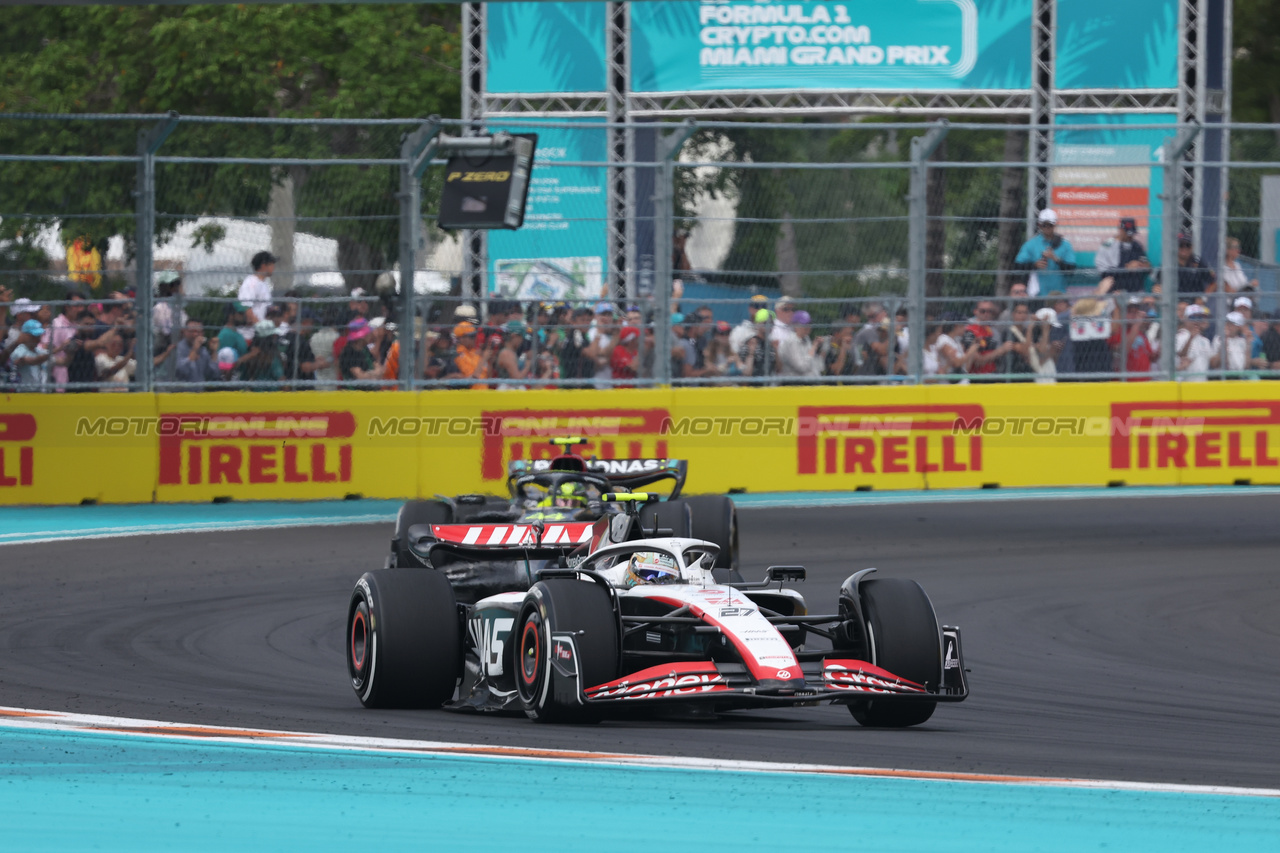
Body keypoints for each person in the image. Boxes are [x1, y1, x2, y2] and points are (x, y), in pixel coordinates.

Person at [1014, 208, 1077, 296]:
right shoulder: (1031, 244)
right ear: (1039, 225)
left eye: (1050, 225)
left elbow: (1071, 270)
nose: (1047, 228)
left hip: (1059, 294)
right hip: (1037, 294)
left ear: (1055, 224)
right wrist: (1034, 265)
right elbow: (1017, 266)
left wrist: (1056, 259)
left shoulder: (1065, 245)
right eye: (1044, 225)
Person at [1095, 218, 1151, 294]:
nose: (1130, 236)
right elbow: (1103, 271)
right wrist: (1126, 268)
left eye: (1132, 234)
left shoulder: (1137, 245)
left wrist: (1140, 264)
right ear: (1120, 230)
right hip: (1115, 290)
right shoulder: (1109, 245)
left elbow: (1146, 264)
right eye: (1127, 233)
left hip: (1136, 290)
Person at [10, 319, 69, 391]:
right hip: (26, 395)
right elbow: (34, 361)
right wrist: (58, 349)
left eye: (39, 335)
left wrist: (71, 351)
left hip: (42, 395)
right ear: (25, 335)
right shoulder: (19, 351)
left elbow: (64, 362)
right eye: (34, 336)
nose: (38, 339)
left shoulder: (39, 351)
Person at [1108, 297, 1158, 380]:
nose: (1134, 315)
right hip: (1126, 382)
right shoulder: (1116, 331)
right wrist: (1137, 325)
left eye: (1136, 312)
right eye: (1130, 312)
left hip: (1145, 382)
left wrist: (1160, 350)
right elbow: (1123, 350)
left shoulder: (1139, 333)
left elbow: (1151, 358)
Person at [961, 300, 1011, 376]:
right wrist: (1001, 350)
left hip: (992, 375)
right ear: (975, 312)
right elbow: (978, 361)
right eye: (983, 311)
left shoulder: (991, 330)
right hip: (976, 378)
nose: (986, 314)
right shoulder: (970, 332)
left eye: (990, 311)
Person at [238, 320, 286, 388]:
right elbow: (283, 383)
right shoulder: (272, 357)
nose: (275, 338)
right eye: (273, 336)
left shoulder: (250, 354)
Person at [174, 318, 220, 386]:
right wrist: (194, 350)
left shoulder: (203, 351)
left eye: (199, 332)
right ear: (185, 332)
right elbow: (182, 372)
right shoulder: (178, 348)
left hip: (199, 394)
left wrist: (214, 352)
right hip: (180, 393)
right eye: (192, 331)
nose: (195, 334)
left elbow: (214, 374)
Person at [444, 322, 491, 388]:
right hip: (470, 395)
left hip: (484, 393)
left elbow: (487, 375)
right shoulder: (458, 354)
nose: (474, 339)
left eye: (474, 336)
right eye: (471, 336)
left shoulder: (475, 352)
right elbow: (473, 378)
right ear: (461, 339)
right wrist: (484, 358)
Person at [776, 309, 821, 378]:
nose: (808, 327)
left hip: (810, 382)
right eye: (805, 324)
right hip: (794, 383)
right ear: (795, 325)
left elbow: (818, 367)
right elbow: (801, 367)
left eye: (809, 324)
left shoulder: (806, 339)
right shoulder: (790, 341)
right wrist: (814, 347)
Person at [1175, 305, 1214, 381]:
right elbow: (1181, 356)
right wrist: (1191, 338)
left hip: (1202, 384)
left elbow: (1212, 363)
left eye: (1199, 318)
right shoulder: (1179, 336)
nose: (1196, 321)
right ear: (1185, 319)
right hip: (1185, 383)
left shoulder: (1205, 341)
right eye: (1193, 317)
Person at [238, 251, 275, 327]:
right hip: (250, 332)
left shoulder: (264, 283)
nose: (273, 267)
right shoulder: (251, 282)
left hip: (261, 329)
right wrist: (260, 325)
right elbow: (246, 307)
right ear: (263, 266)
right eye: (271, 264)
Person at [337, 318, 379, 387]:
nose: (370, 334)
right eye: (368, 333)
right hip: (355, 394)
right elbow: (360, 376)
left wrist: (370, 374)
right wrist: (374, 374)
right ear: (362, 336)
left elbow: (380, 369)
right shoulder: (349, 352)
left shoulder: (365, 349)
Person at [739, 308, 777, 381]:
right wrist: (751, 353)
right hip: (752, 387)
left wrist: (776, 350)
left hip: (768, 386)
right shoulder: (750, 342)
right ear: (757, 324)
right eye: (766, 323)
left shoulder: (771, 345)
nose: (769, 326)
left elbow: (778, 369)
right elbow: (746, 373)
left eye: (771, 323)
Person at [999, 303, 1036, 379]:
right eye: (1019, 313)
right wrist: (1030, 327)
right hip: (1013, 373)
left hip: (1028, 373)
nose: (1022, 316)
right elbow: (1025, 351)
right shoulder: (1008, 332)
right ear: (1013, 314)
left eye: (1025, 313)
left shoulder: (1027, 332)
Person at [495, 321, 530, 388]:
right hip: (506, 392)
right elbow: (517, 379)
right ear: (514, 336)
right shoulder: (507, 354)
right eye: (520, 337)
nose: (521, 340)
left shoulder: (511, 352)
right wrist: (527, 366)